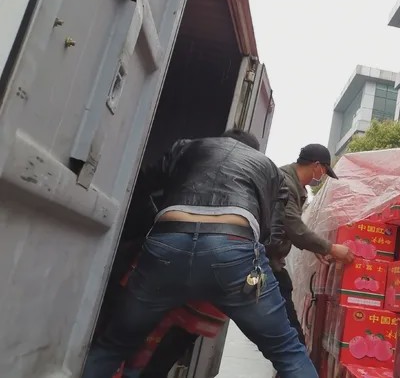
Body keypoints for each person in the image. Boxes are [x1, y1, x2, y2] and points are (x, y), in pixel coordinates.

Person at [82, 129, 318, 378]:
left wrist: (152, 227)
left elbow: (138, 185)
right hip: (233, 247)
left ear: (221, 139)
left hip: (168, 242)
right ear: (252, 151)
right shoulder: (267, 166)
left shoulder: (185, 146)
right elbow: (273, 231)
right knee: (288, 351)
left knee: (113, 345)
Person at [268, 144, 354, 345]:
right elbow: (293, 226)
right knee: (289, 333)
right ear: (317, 166)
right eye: (324, 170)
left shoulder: (295, 185)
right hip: (264, 262)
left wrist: (316, 247)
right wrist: (331, 248)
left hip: (269, 261)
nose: (323, 175)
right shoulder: (285, 183)